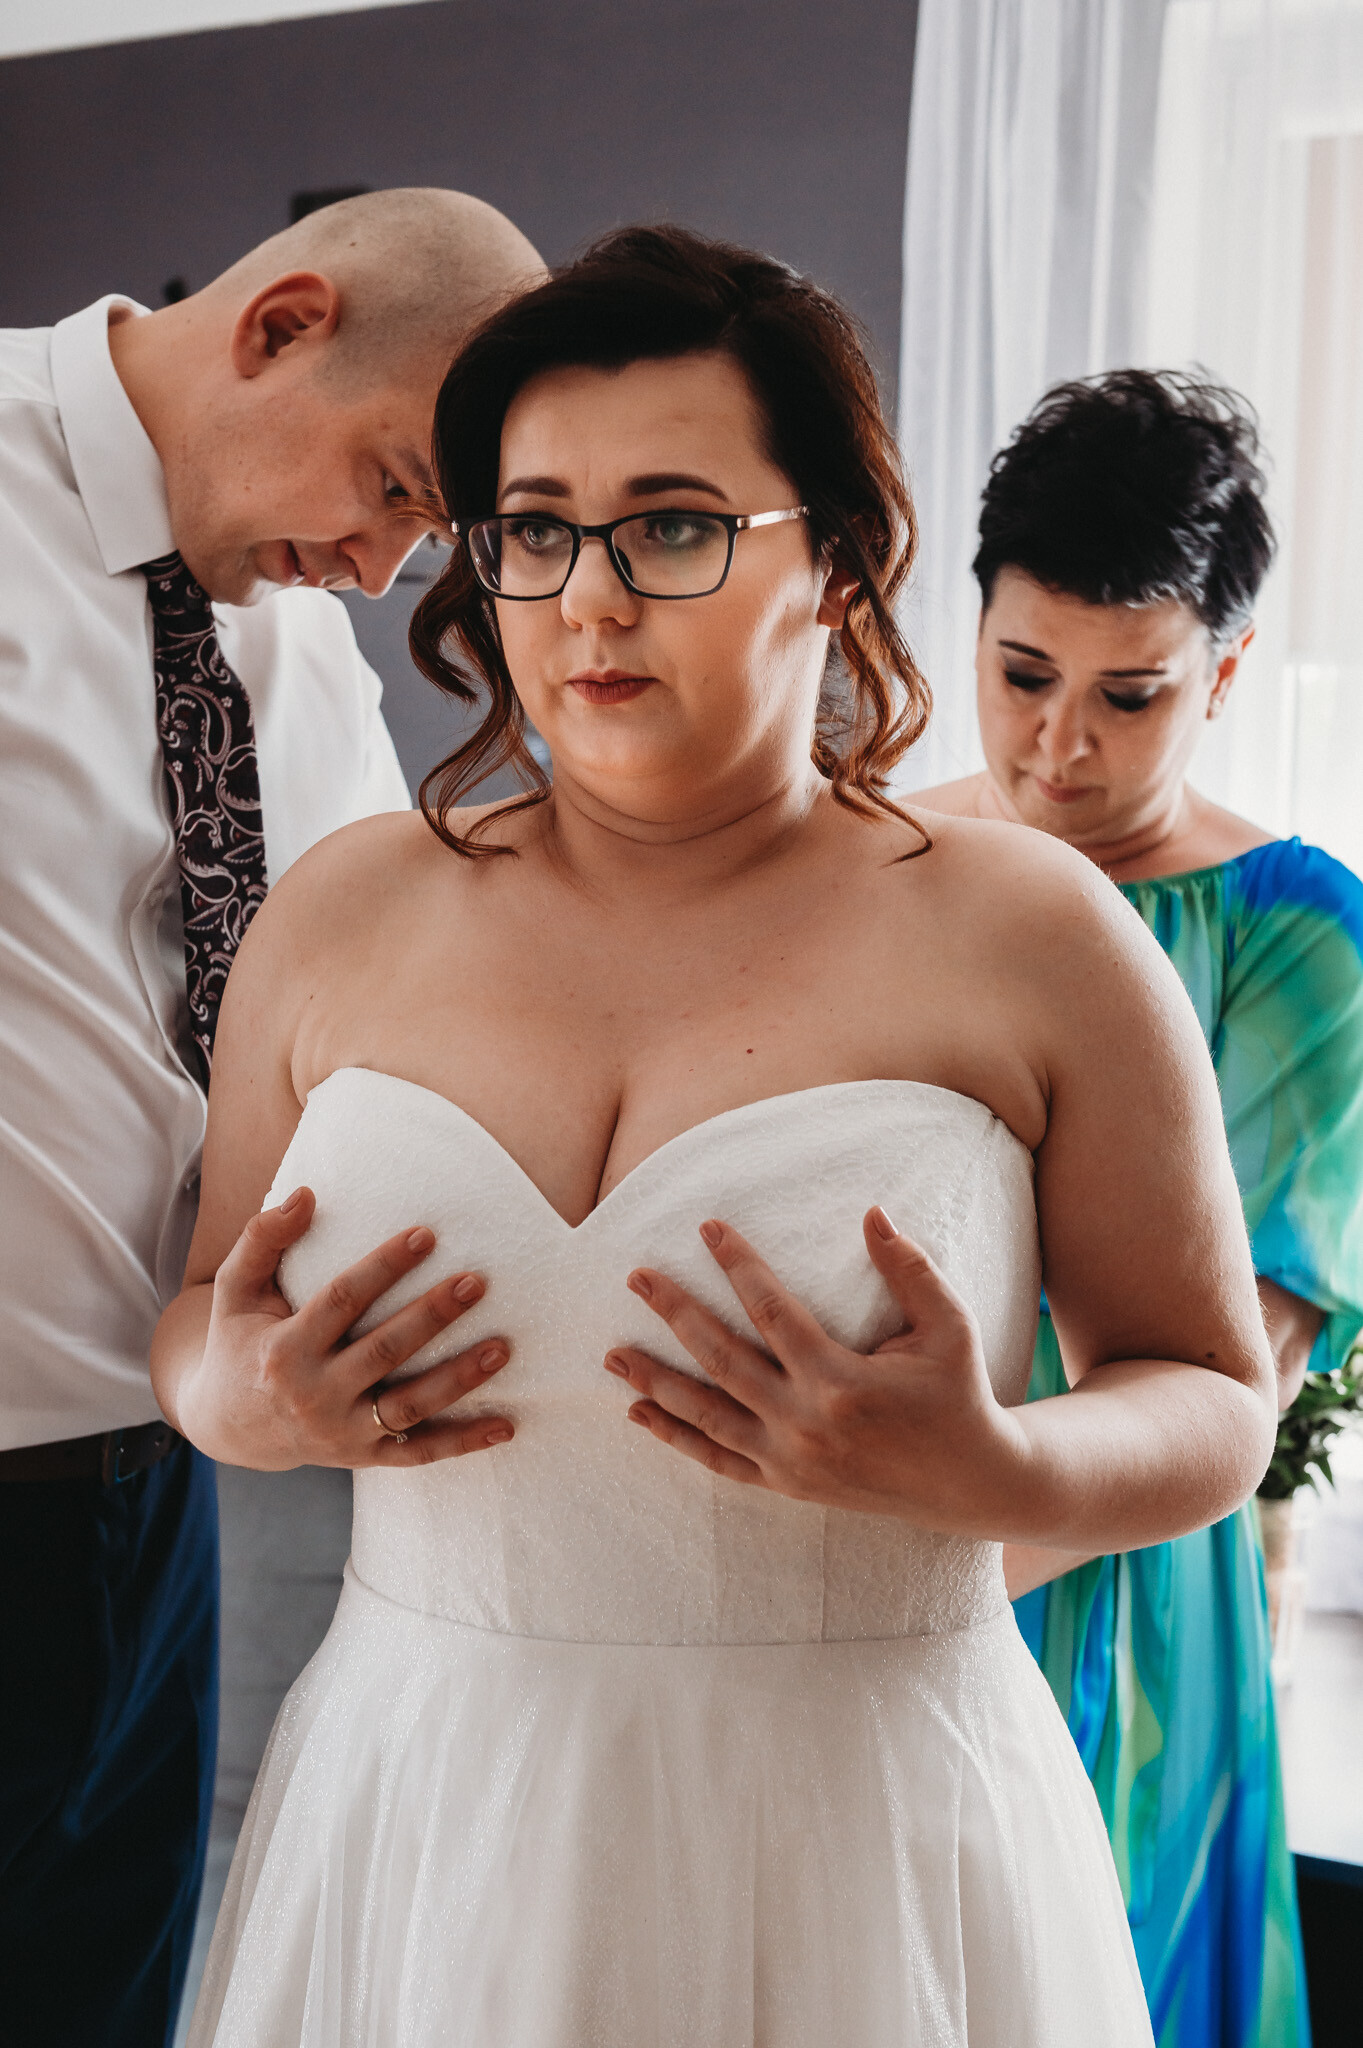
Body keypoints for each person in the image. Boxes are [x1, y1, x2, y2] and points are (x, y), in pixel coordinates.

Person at [154, 230, 1278, 2048]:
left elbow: (1215, 1395)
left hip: (867, 1828)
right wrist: (242, 1400)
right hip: (427, 1813)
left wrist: (1002, 1466)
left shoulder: (1031, 933)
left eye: (672, 527)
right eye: (534, 530)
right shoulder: (341, 915)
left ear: (835, 558)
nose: (589, 602)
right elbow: (204, 1312)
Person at [0, 188, 542, 2047]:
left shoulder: (292, 637)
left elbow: (384, 1010)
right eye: (394, 486)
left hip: (154, 1512)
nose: (386, 568)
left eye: (430, 535)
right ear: (282, 323)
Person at [916, 369, 1363, 2048]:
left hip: (1112, 1577)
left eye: (1131, 696)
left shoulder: (1297, 936)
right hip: (858, 1517)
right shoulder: (867, 858)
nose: (1057, 747)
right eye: (1022, 674)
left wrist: (918, 1590)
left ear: (1224, 676)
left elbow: (1244, 1367)